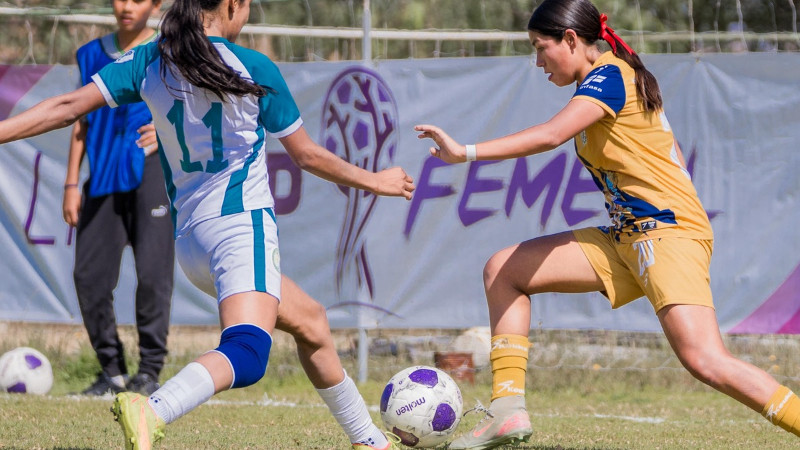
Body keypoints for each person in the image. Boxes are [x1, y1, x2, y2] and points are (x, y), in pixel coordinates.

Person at [0, 0, 414, 448]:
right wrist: (375, 179)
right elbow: (307, 155)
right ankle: (153, 407)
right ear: (233, 4)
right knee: (250, 353)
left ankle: (370, 441)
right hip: (239, 230)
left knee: (311, 322)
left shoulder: (149, 59)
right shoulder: (252, 66)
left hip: (192, 241)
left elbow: (65, 106)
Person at [415, 0, 800, 448]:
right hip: (628, 237)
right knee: (504, 270)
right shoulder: (600, 80)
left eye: (542, 48)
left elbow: (549, 135)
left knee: (705, 360)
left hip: (665, 234)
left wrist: (466, 152)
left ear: (572, 40)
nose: (537, 61)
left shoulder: (609, 76)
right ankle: (506, 412)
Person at [64, 0, 175, 397]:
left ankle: (149, 371)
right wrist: (72, 182)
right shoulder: (91, 55)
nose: (127, 6)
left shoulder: (169, 49)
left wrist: (164, 136)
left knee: (152, 275)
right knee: (88, 276)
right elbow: (80, 118)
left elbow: (190, 108)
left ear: (156, 5)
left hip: (151, 175)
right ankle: (111, 373)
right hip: (102, 176)